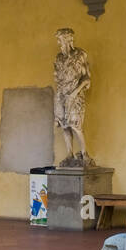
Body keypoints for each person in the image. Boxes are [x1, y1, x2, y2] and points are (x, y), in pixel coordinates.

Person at [53, 28, 92, 166]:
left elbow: (87, 78)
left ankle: (84, 154)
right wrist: (59, 96)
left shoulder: (80, 55)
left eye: (60, 40)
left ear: (68, 40)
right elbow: (57, 78)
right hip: (61, 95)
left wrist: (75, 92)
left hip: (76, 95)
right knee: (64, 125)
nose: (59, 43)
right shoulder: (59, 58)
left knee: (76, 125)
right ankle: (69, 154)